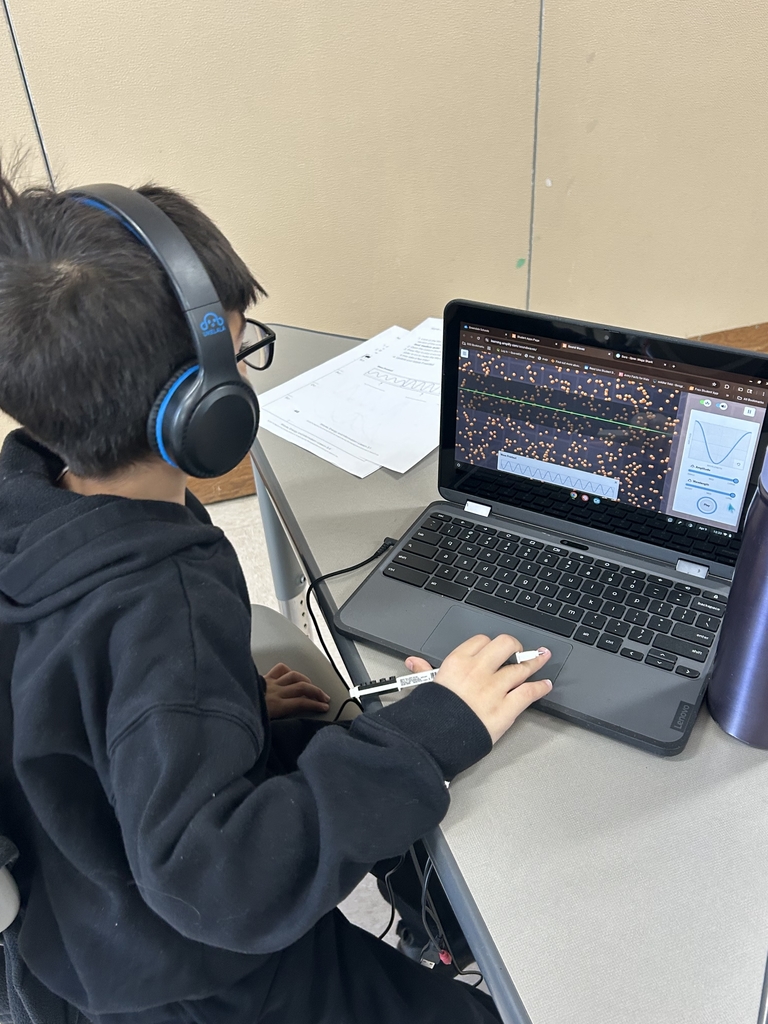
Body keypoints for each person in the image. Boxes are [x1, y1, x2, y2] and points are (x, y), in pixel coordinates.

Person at [0, 169, 553, 1024]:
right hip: (184, 976)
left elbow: (67, 698)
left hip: (77, 920)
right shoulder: (162, 608)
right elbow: (221, 886)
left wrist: (230, 712)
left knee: (311, 736)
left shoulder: (26, 506)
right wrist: (435, 728)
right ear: (200, 407)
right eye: (243, 348)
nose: (248, 366)